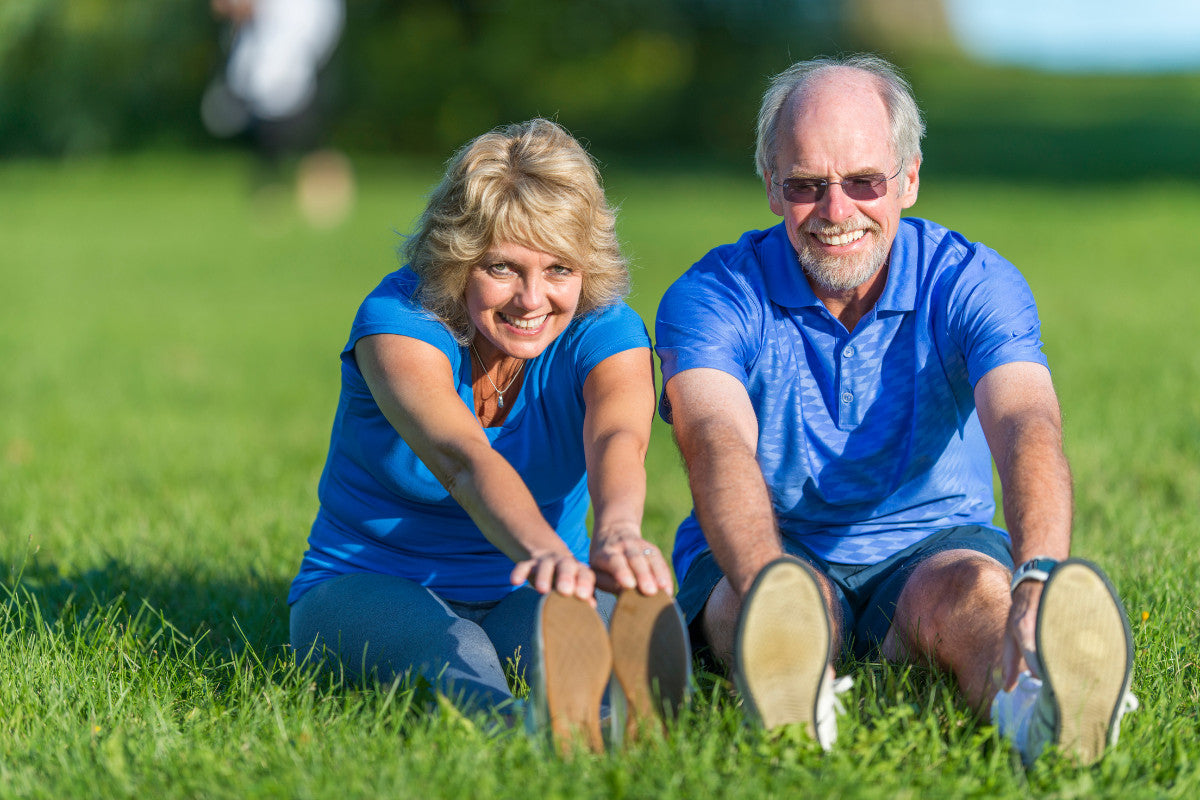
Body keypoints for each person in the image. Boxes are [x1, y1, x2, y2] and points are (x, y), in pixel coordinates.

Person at [655, 54, 1136, 766]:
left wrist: (1038, 578)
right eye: (806, 185)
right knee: (756, 600)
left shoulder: (972, 281)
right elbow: (713, 440)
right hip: (770, 541)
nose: (836, 211)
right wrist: (767, 589)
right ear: (770, 186)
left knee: (977, 596)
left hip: (932, 545)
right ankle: (788, 690)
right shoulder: (712, 295)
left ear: (909, 179)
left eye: (864, 182)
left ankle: (1041, 709)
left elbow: (1025, 423)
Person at [289, 119, 689, 752]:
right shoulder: (397, 324)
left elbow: (618, 436)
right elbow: (464, 459)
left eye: (560, 268)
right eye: (503, 267)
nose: (532, 300)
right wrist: (545, 550)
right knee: (456, 653)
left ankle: (611, 724)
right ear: (457, 260)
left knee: (617, 627)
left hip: (542, 592)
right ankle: (515, 734)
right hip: (373, 581)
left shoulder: (608, 331)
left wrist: (616, 533)